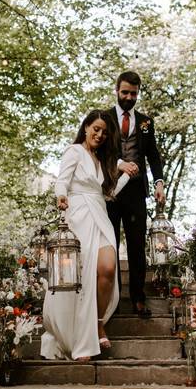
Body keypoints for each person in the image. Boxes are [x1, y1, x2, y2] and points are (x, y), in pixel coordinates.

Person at [41, 110, 130, 361]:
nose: (100, 135)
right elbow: (62, 181)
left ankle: (99, 322)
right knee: (81, 277)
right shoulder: (74, 151)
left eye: (104, 132)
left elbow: (106, 195)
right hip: (78, 215)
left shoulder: (101, 160)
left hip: (100, 215)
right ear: (86, 127)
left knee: (108, 267)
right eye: (96, 129)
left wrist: (125, 176)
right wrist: (61, 197)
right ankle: (80, 339)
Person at [104, 71, 165, 318]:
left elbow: (153, 155)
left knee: (138, 246)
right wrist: (119, 163)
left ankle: (138, 298)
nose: (129, 97)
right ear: (117, 91)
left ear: (138, 93)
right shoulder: (104, 118)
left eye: (134, 93)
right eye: (125, 92)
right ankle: (113, 299)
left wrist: (159, 183)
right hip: (108, 190)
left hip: (136, 192)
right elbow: (98, 150)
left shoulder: (145, 122)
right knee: (110, 245)